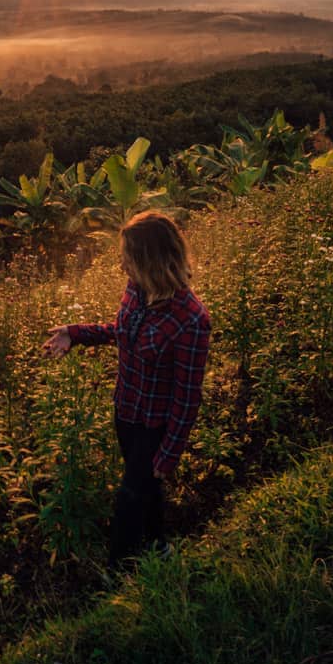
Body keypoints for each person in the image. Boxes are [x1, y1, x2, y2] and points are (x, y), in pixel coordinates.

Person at [42, 210, 211, 569]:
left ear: (151, 261)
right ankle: (159, 546)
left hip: (155, 425)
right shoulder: (137, 290)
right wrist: (76, 333)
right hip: (126, 410)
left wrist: (169, 454)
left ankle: (117, 576)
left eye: (128, 259)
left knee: (129, 499)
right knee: (146, 488)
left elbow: (187, 398)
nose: (122, 267)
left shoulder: (192, 319)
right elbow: (121, 332)